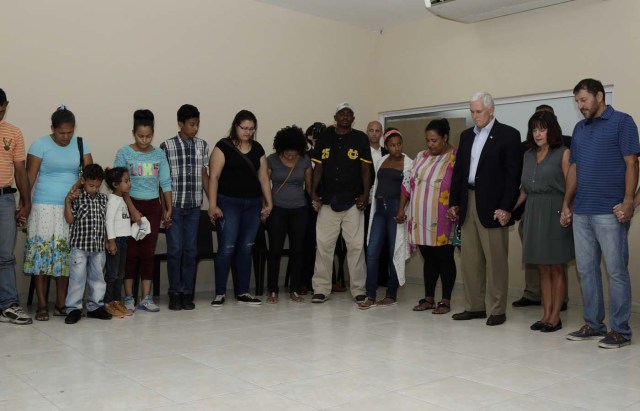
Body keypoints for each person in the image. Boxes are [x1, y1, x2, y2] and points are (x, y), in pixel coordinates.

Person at [561, 78, 640, 348]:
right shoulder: (579, 129)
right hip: (581, 211)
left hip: (610, 212)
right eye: (577, 102)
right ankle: (594, 325)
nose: (580, 106)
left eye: (584, 100)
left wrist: (629, 201)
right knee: (586, 270)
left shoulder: (622, 122)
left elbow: (632, 163)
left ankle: (620, 331)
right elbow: (574, 169)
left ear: (599, 96)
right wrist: (566, 204)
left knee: (616, 272)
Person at [447, 92, 521, 326]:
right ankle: (474, 306)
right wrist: (454, 202)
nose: (475, 115)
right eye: (472, 111)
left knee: (496, 261)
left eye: (479, 111)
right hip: (468, 201)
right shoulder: (466, 136)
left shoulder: (509, 135)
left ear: (491, 110)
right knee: (470, 260)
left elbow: (513, 177)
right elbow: (458, 172)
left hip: (493, 206)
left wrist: (506, 207)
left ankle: (498, 309)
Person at [504, 111, 573, 332]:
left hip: (555, 211)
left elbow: (571, 185)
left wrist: (566, 208)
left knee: (556, 267)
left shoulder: (563, 153)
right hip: (533, 211)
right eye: (534, 129)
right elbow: (525, 188)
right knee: (542, 267)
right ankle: (545, 314)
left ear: (551, 129)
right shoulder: (528, 155)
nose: (538, 133)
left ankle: (555, 317)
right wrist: (509, 209)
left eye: (542, 129)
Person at [24, 106, 93, 321]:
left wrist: (76, 189)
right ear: (52, 129)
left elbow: (89, 175)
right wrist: (24, 206)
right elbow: (29, 178)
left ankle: (62, 304)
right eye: (61, 132)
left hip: (69, 208)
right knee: (41, 256)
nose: (66, 137)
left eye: (69, 132)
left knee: (65, 256)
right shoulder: (40, 144)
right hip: (43, 206)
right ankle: (42, 305)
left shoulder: (81, 144)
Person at [208, 110, 272, 307]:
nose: (247, 132)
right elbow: (214, 177)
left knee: (246, 248)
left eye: (251, 129)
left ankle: (243, 292)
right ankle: (220, 293)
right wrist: (212, 205)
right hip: (228, 202)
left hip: (252, 204)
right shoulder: (222, 147)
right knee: (227, 247)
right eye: (244, 128)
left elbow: (263, 177)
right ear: (235, 126)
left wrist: (269, 202)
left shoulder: (258, 148)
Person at [310, 102, 372, 304]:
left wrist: (365, 194)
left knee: (355, 247)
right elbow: (318, 168)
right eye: (341, 114)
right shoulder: (325, 138)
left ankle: (358, 289)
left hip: (353, 202)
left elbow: (365, 170)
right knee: (324, 247)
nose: (345, 117)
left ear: (353, 118)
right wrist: (313, 191)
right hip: (328, 201)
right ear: (335, 117)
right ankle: (321, 288)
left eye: (349, 114)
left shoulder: (361, 138)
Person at [115, 109, 172, 313]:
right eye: (140, 136)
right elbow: (119, 185)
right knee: (130, 253)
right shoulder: (124, 153)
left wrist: (168, 208)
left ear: (153, 133)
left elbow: (165, 182)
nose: (144, 139)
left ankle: (146, 297)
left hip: (153, 207)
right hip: (130, 205)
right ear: (133, 133)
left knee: (148, 253)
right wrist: (132, 210)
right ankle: (128, 296)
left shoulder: (159, 154)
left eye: (148, 136)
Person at [397, 119, 457, 314]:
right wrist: (401, 209)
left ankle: (445, 300)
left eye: (434, 140)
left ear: (445, 138)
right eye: (428, 140)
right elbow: (407, 184)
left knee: (444, 258)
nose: (430, 144)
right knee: (429, 259)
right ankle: (429, 298)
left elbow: (460, 188)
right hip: (419, 219)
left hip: (443, 219)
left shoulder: (455, 157)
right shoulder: (420, 157)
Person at [160, 104, 210, 311]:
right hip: (175, 207)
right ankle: (174, 292)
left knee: (191, 250)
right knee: (175, 250)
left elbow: (204, 175)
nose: (195, 128)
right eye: (191, 124)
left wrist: (212, 201)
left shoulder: (202, 145)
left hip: (194, 207)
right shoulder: (167, 146)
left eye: (197, 124)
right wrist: (165, 208)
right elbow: (162, 181)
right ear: (180, 124)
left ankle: (187, 292)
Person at [358, 128, 411, 309]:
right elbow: (376, 183)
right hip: (379, 209)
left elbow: (408, 189)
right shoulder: (381, 161)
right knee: (372, 251)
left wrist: (402, 210)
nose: (396, 148)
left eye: (399, 144)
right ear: (386, 146)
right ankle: (370, 295)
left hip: (396, 210)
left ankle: (391, 294)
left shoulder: (409, 163)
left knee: (393, 251)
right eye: (392, 145)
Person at [265, 125, 312, 304]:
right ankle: (273, 290)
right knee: (275, 250)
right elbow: (264, 184)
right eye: (287, 152)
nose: (291, 155)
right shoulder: (272, 160)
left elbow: (308, 187)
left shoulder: (305, 161)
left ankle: (294, 289)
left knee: (297, 250)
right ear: (280, 148)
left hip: (300, 210)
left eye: (294, 151)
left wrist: (315, 201)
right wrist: (265, 206)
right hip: (277, 210)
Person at [63, 164, 112, 324]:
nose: (95, 189)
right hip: (79, 247)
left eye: (98, 186)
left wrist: (107, 240)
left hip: (98, 248)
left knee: (98, 278)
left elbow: (106, 223)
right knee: (77, 279)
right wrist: (67, 203)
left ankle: (95, 307)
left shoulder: (104, 199)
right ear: (83, 181)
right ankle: (73, 309)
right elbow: (70, 220)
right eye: (91, 185)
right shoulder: (77, 197)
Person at [0, 88, 32, 325]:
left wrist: (26, 201)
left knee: (4, 255)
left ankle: (9, 305)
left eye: (2, 111)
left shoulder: (13, 132)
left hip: (4, 198)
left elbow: (20, 170)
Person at [299, 122, 326, 295]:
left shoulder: (329, 155)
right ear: (309, 137)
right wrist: (313, 200)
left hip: (328, 202)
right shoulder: (305, 156)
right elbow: (305, 182)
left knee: (326, 245)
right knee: (307, 244)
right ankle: (304, 281)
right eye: (316, 134)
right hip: (308, 204)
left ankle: (326, 281)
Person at [104, 167, 133, 318]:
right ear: (115, 184)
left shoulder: (121, 199)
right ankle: (108, 303)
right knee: (112, 274)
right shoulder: (113, 200)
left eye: (129, 180)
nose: (129, 184)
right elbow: (108, 221)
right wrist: (111, 241)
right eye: (126, 181)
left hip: (123, 241)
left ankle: (117, 301)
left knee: (120, 274)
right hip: (115, 242)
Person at [365, 120, 390, 287]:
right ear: (367, 132)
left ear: (381, 134)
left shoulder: (388, 154)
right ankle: (367, 278)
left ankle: (382, 278)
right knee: (365, 241)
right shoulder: (360, 152)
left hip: (382, 201)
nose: (374, 133)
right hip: (364, 202)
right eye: (371, 130)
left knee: (383, 239)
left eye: (377, 130)